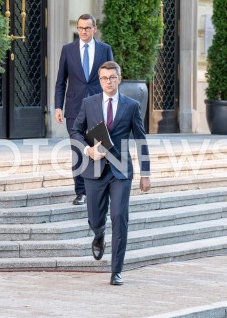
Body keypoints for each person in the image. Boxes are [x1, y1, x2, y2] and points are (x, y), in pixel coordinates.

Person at [70, 61, 151, 285]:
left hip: (121, 171)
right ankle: (98, 234)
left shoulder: (132, 105)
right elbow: (75, 131)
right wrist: (88, 149)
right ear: (100, 80)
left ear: (119, 79)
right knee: (96, 218)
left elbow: (141, 140)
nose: (108, 82)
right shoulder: (88, 103)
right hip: (94, 169)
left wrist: (146, 173)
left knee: (119, 216)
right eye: (104, 78)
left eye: (112, 78)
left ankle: (116, 270)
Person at [54, 14, 113, 206]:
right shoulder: (68, 50)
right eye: (80, 28)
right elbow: (60, 81)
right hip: (74, 108)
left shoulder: (105, 50)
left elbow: (111, 80)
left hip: (98, 107)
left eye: (87, 28)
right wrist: (58, 106)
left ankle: (98, 188)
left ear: (94, 29)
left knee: (100, 147)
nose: (83, 32)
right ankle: (81, 192)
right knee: (79, 149)